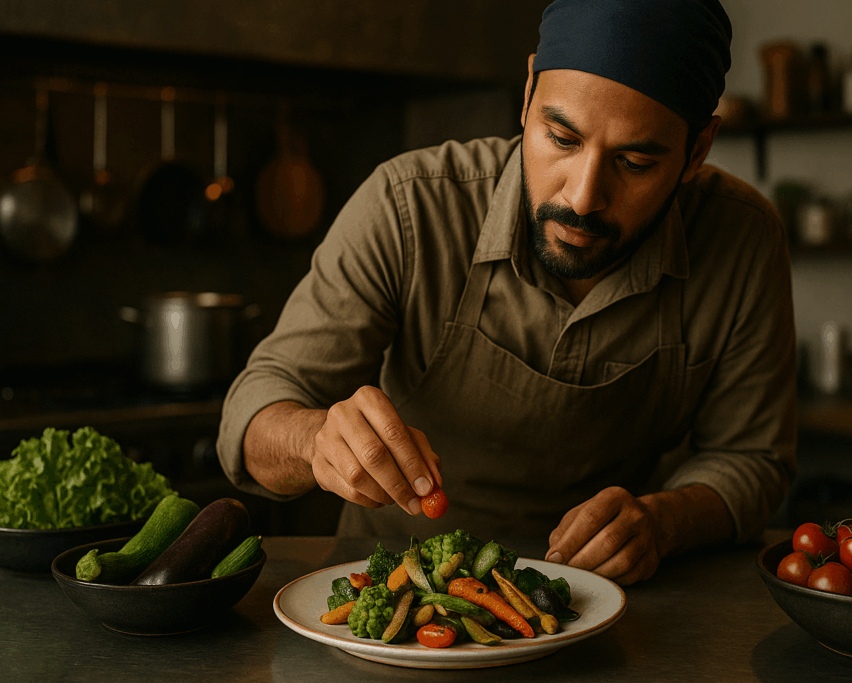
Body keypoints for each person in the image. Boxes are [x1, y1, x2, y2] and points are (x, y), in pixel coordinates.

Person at [217, 0, 797, 586]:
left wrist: (665, 521)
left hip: (616, 606)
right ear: (526, 96)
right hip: (397, 596)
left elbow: (755, 460)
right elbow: (252, 417)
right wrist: (317, 440)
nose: (582, 197)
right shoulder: (408, 206)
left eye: (635, 161)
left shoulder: (743, 238)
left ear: (697, 151)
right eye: (561, 138)